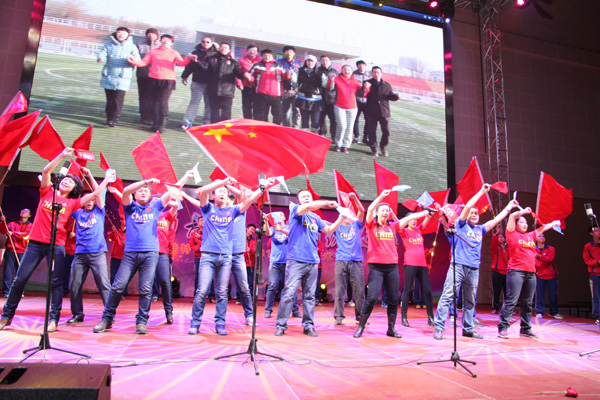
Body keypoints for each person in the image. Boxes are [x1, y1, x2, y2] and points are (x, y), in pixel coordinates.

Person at [0, 148, 113, 332]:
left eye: (71, 182)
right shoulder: (47, 192)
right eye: (65, 179)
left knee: (56, 283)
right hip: (35, 243)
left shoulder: (73, 203)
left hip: (57, 245)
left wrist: (106, 180)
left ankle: (53, 319)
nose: (67, 181)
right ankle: (6, 316)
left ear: (74, 189)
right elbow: (46, 171)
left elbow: (95, 195)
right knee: (20, 279)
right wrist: (62, 155)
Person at [92, 171, 192, 335]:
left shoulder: (156, 207)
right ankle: (107, 319)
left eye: (146, 190)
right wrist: (146, 181)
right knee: (117, 287)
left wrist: (186, 176)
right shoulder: (129, 207)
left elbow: (173, 190)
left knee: (145, 289)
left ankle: (141, 321)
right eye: (140, 190)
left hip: (150, 254)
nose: (143, 192)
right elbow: (125, 191)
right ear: (135, 194)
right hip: (130, 254)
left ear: (151, 195)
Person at [432, 184, 518, 340]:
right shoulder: (461, 225)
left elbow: (497, 220)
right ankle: (439, 327)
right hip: (458, 267)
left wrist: (509, 207)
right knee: (447, 296)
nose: (473, 215)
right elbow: (468, 206)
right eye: (471, 213)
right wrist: (482, 191)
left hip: (473, 269)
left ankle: (468, 329)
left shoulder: (480, 229)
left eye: (476, 213)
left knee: (470, 301)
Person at [188, 177, 271, 336]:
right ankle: (195, 323)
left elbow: (250, 199)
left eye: (224, 192)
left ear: (228, 197)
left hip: (226, 257)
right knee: (202, 291)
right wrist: (222, 183)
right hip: (208, 257)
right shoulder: (208, 208)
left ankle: (220, 323)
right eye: (218, 191)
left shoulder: (233, 211)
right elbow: (203, 191)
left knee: (222, 292)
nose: (221, 194)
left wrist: (263, 187)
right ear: (213, 195)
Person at [354, 192, 427, 338]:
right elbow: (370, 209)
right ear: (377, 213)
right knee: (372, 297)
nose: (385, 213)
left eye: (387, 211)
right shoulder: (371, 225)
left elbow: (410, 218)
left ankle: (391, 329)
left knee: (393, 299)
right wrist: (381, 196)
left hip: (392, 267)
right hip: (376, 267)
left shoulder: (393, 226)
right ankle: (361, 326)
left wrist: (426, 212)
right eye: (383, 210)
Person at [274, 190, 342, 337]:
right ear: (298, 200)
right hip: (296, 260)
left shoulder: (316, 218)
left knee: (310, 296)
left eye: (308, 196)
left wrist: (341, 218)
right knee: (289, 294)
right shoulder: (294, 209)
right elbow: (307, 207)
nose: (306, 198)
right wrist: (326, 203)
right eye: (303, 196)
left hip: (312, 262)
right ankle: (281, 325)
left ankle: (308, 325)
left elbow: (329, 230)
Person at [498, 208, 560, 339]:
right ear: (515, 225)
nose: (525, 224)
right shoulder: (511, 233)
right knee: (512, 300)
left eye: (526, 223)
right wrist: (524, 212)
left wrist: (554, 223)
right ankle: (503, 327)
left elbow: (543, 228)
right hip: (516, 271)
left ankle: (525, 328)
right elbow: (512, 216)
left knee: (527, 302)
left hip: (531, 273)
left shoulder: (531, 235)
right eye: (521, 222)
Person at [67, 172, 114, 324]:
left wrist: (89, 176)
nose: (89, 201)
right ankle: (77, 314)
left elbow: (98, 192)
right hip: (80, 254)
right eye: (86, 199)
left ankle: (109, 315)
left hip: (97, 253)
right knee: (74, 285)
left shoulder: (99, 211)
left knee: (103, 284)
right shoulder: (77, 212)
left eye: (91, 199)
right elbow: (69, 201)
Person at [127, 34, 197, 133]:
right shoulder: (152, 51)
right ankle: (155, 125)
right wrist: (134, 62)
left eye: (168, 40)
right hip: (153, 79)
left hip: (167, 80)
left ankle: (161, 125)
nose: (165, 41)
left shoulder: (174, 52)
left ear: (172, 43)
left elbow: (182, 63)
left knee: (162, 102)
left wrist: (189, 58)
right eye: (164, 39)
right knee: (154, 102)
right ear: (160, 41)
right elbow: (143, 62)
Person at [333, 192, 366, 325]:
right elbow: (326, 227)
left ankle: (360, 316)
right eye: (344, 214)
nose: (347, 216)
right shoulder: (337, 226)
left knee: (359, 290)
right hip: (341, 261)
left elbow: (362, 211)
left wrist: (355, 199)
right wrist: (338, 218)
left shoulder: (356, 225)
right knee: (339, 290)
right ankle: (339, 316)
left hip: (356, 261)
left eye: (349, 214)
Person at [97, 27, 140, 128]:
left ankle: (114, 119)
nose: (121, 35)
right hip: (109, 75)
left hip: (123, 76)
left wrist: (132, 60)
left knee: (118, 99)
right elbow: (103, 53)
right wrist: (101, 58)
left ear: (127, 36)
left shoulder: (132, 46)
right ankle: (108, 118)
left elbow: (137, 58)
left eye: (124, 34)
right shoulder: (109, 44)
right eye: (119, 33)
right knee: (109, 99)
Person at [399, 208, 434, 328]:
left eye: (415, 219)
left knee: (427, 290)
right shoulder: (403, 231)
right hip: (410, 264)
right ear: (407, 221)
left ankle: (430, 317)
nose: (414, 221)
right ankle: (404, 317)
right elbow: (398, 224)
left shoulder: (419, 230)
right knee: (408, 290)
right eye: (411, 219)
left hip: (422, 265)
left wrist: (429, 211)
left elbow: (427, 218)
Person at [264, 213, 301, 319]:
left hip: (288, 262)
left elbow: (293, 235)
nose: (278, 216)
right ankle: (268, 310)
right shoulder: (273, 228)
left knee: (291, 287)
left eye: (281, 214)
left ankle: (295, 310)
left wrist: (280, 229)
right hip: (275, 262)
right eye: (277, 214)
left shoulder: (289, 227)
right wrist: (266, 221)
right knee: (272, 286)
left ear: (284, 217)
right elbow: (268, 233)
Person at [150, 199, 179, 324]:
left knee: (166, 282)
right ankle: (143, 315)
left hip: (162, 252)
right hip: (149, 251)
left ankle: (169, 312)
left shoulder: (166, 215)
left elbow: (176, 205)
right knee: (146, 284)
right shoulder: (148, 214)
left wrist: (163, 200)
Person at [200, 42, 243, 123]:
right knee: (214, 112)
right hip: (213, 90)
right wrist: (197, 62)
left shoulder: (233, 62)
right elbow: (205, 69)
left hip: (227, 92)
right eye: (222, 47)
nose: (223, 49)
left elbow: (239, 74)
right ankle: (214, 128)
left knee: (226, 113)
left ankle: (225, 129)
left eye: (226, 47)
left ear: (229, 50)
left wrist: (245, 75)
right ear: (219, 48)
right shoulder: (211, 59)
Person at [181, 36, 217, 128]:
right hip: (197, 81)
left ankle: (207, 121)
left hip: (210, 82)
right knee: (194, 102)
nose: (205, 43)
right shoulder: (195, 53)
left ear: (212, 43)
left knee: (209, 103)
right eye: (203, 41)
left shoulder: (215, 54)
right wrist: (185, 75)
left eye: (208, 42)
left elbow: (209, 67)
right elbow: (190, 66)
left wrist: (198, 61)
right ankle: (188, 120)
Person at [364, 66, 399, 157]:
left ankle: (383, 146)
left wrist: (395, 97)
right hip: (371, 111)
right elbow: (362, 94)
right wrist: (365, 88)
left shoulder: (386, 85)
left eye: (378, 72)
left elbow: (389, 96)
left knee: (386, 131)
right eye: (374, 72)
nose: (376, 74)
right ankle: (374, 148)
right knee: (372, 131)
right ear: (372, 73)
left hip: (384, 111)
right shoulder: (367, 83)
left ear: (381, 73)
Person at [245, 49, 287, 124]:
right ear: (262, 56)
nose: (267, 57)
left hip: (277, 95)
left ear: (272, 56)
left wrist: (288, 75)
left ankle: (275, 129)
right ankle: (262, 129)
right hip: (261, 94)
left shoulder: (279, 66)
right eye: (265, 55)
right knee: (261, 115)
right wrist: (248, 77)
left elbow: (285, 78)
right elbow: (251, 78)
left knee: (278, 115)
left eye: (269, 55)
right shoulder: (257, 66)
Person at [329, 65, 364, 153]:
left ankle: (345, 145)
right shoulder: (336, 79)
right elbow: (330, 88)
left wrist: (366, 88)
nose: (346, 71)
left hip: (352, 108)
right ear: (341, 70)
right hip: (339, 106)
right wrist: (331, 80)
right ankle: (338, 143)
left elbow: (362, 92)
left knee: (349, 127)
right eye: (344, 69)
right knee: (342, 126)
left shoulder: (355, 81)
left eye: (348, 69)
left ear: (352, 71)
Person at [1, 209, 32, 298]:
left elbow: (25, 235)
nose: (23, 212)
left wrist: (13, 233)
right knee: (8, 272)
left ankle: (19, 291)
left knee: (21, 274)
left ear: (29, 215)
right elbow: (3, 231)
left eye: (26, 212)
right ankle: (6, 291)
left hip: (22, 252)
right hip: (11, 250)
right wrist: (3, 222)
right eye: (22, 211)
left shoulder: (31, 226)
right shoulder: (12, 224)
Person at [534, 233, 563, 319]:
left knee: (553, 294)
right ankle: (539, 311)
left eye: (543, 236)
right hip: (539, 275)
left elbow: (549, 259)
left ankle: (553, 312)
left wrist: (539, 257)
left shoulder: (550, 248)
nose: (542, 237)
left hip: (551, 275)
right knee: (539, 295)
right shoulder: (533, 249)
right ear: (536, 239)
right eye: (539, 236)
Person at [136, 28, 160, 125]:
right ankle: (143, 115)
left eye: (153, 34)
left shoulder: (161, 46)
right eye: (149, 34)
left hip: (156, 75)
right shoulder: (140, 44)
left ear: (157, 36)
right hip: (143, 73)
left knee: (153, 96)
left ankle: (152, 116)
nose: (151, 36)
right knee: (143, 95)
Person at [296, 55, 322, 133]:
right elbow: (296, 82)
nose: (310, 63)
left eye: (312, 61)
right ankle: (304, 136)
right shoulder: (300, 70)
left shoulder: (319, 72)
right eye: (308, 61)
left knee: (315, 121)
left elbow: (323, 85)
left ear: (315, 63)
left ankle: (314, 136)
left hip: (316, 100)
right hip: (303, 99)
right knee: (304, 121)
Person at [277, 45, 302, 128]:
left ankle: (295, 128)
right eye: (286, 52)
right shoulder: (280, 62)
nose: (288, 53)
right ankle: (286, 127)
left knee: (297, 111)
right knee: (284, 111)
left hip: (296, 91)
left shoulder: (299, 63)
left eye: (290, 51)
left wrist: (297, 88)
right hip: (284, 90)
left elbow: (302, 77)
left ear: (294, 53)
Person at [237, 44, 261, 119]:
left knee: (257, 107)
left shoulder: (261, 61)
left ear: (257, 53)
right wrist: (239, 84)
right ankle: (247, 122)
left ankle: (256, 123)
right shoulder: (241, 60)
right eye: (250, 50)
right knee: (246, 107)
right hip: (246, 86)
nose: (252, 52)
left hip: (258, 88)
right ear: (247, 51)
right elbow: (237, 73)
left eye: (254, 51)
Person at [317, 56, 338, 139]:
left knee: (333, 118)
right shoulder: (317, 71)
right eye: (322, 60)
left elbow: (337, 86)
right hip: (319, 98)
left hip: (331, 99)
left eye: (326, 60)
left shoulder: (335, 72)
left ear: (330, 61)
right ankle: (322, 133)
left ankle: (334, 135)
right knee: (321, 117)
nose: (324, 62)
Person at [583, 226, 600, 325]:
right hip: (595, 274)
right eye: (596, 230)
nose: (599, 232)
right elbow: (587, 260)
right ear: (591, 233)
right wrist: (598, 261)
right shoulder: (588, 246)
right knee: (596, 295)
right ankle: (597, 316)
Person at [107, 214, 127, 298]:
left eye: (126, 219)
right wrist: (113, 232)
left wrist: (126, 244)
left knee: (123, 277)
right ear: (121, 221)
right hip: (115, 257)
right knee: (113, 276)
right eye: (123, 219)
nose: (124, 221)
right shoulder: (116, 231)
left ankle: (122, 293)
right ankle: (113, 293)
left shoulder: (130, 232)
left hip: (125, 258)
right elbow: (110, 238)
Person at [490, 227, 509, 314]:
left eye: (502, 237)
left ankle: (507, 308)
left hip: (507, 273)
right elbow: (493, 242)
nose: (500, 238)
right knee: (496, 291)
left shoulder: (507, 249)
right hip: (497, 272)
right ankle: (495, 307)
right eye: (499, 237)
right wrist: (496, 234)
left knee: (507, 292)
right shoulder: (495, 248)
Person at [353, 60, 371, 144]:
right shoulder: (353, 74)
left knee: (368, 119)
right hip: (357, 99)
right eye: (359, 65)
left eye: (363, 65)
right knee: (355, 118)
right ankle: (356, 136)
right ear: (357, 66)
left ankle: (365, 137)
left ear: (365, 66)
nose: (361, 67)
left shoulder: (369, 75)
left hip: (367, 101)